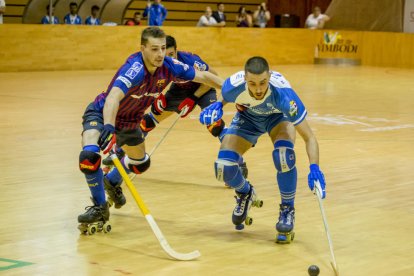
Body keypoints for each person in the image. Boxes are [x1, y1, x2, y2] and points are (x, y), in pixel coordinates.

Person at [77, 27, 223, 231]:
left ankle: (111, 181)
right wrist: (109, 127)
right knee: (89, 157)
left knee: (140, 163)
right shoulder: (134, 68)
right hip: (102, 114)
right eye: (154, 49)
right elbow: (113, 97)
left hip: (129, 121)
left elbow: (204, 77)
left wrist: (230, 88)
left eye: (163, 48)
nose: (160, 54)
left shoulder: (169, 66)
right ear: (143, 48)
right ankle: (100, 206)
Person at [199, 57, 327, 243]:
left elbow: (309, 137)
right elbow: (225, 96)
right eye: (252, 83)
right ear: (244, 79)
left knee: (284, 156)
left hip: (278, 118)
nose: (258, 89)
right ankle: (245, 192)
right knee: (222, 168)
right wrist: (218, 105)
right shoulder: (232, 86)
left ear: (269, 76)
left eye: (263, 83)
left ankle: (287, 209)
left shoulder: (284, 96)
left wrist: (315, 168)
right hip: (248, 119)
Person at [103, 35, 248, 179]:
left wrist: (193, 98)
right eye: (164, 55)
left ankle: (237, 164)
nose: (167, 58)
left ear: (176, 50)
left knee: (214, 123)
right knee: (148, 121)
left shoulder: (191, 61)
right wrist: (158, 96)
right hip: (179, 90)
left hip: (203, 89)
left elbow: (211, 77)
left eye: (171, 54)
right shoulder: (163, 63)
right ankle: (120, 152)